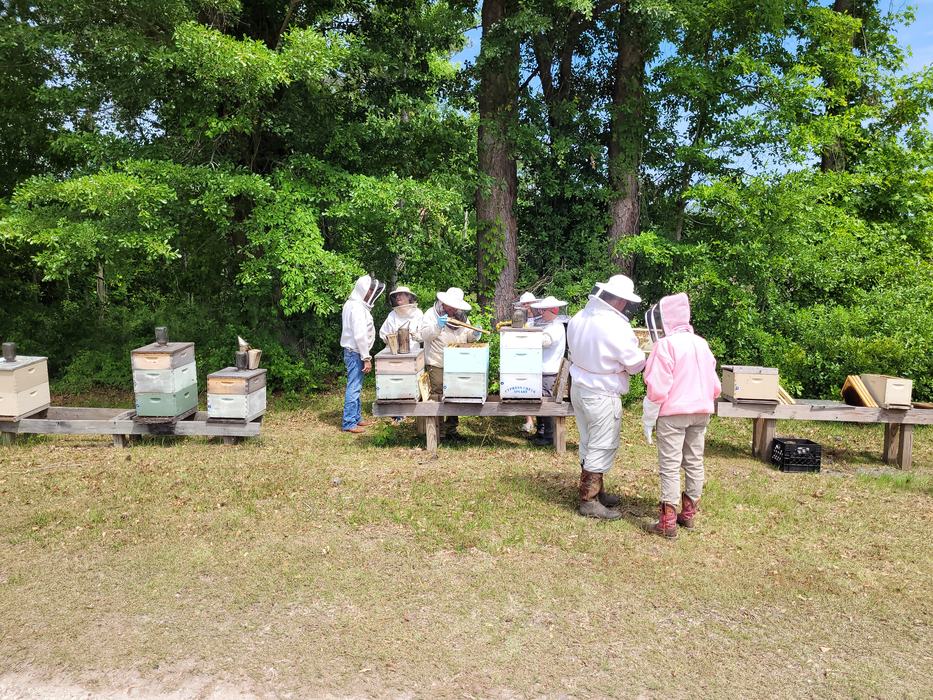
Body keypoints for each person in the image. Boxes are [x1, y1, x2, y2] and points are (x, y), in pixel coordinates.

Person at [641, 292, 721, 538]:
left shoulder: (665, 345)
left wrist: (648, 417)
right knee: (695, 461)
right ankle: (689, 513)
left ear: (666, 319)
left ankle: (667, 521)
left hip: (673, 414)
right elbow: (716, 386)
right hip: (702, 411)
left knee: (670, 464)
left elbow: (657, 387)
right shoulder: (702, 343)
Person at [567, 275, 646, 519]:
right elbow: (634, 364)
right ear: (621, 301)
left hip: (579, 388)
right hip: (601, 392)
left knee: (587, 440)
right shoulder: (615, 325)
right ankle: (589, 501)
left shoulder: (580, 316)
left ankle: (596, 491)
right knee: (602, 443)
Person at [419, 287, 482, 440]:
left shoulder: (461, 316)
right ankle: (438, 431)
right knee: (438, 395)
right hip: (437, 361)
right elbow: (424, 335)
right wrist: (437, 326)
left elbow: (467, 336)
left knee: (455, 394)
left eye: (456, 306)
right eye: (451, 305)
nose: (453, 309)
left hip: (457, 362)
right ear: (444, 302)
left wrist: (474, 334)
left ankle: (451, 430)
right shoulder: (431, 314)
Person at [340, 273, 384, 433]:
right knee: (354, 386)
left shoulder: (352, 304)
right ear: (363, 290)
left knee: (356, 385)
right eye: (369, 291)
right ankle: (349, 422)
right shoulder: (357, 308)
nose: (371, 294)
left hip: (353, 351)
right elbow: (359, 335)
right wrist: (366, 358)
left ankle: (356, 418)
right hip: (356, 352)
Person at [528, 295, 568, 446]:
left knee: (547, 403)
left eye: (544, 310)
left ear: (554, 310)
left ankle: (549, 435)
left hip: (549, 370)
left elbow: (545, 341)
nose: (541, 312)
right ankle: (541, 432)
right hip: (541, 368)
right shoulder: (548, 324)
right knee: (539, 402)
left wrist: (528, 337)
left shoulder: (556, 327)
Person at [515, 291, 538, 433]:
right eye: (524, 304)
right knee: (524, 384)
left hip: (538, 355)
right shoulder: (518, 317)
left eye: (529, 303)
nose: (527, 306)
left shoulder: (541, 317)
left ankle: (541, 422)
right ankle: (529, 420)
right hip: (522, 355)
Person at [379, 286, 424, 351]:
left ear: (408, 296)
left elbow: (423, 334)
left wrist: (416, 336)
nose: (397, 297)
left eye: (400, 294)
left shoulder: (418, 313)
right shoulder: (392, 314)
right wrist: (390, 338)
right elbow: (383, 333)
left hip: (413, 352)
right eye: (396, 295)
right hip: (394, 353)